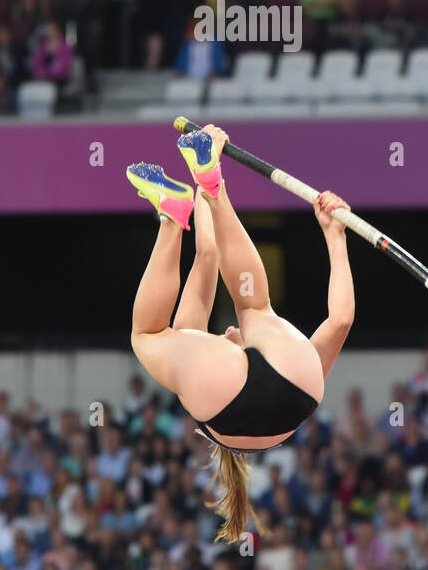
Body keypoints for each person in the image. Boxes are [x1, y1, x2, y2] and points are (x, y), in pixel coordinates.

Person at [126, 125, 355, 543]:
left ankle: (213, 187)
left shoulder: (275, 378)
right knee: (146, 335)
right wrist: (184, 209)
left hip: (297, 391)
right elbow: (207, 256)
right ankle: (171, 218)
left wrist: (334, 237)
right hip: (228, 396)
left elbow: (340, 321)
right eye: (232, 335)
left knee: (253, 305)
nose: (230, 330)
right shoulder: (203, 400)